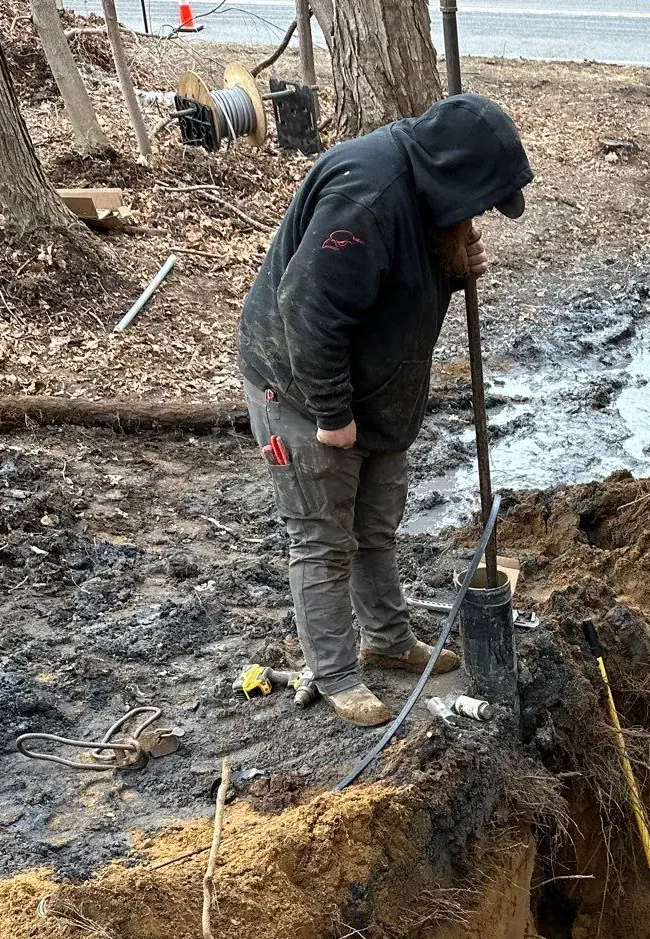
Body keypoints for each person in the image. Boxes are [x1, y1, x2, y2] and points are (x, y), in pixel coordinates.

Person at [239, 94, 532, 727]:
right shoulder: (366, 196)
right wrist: (332, 412)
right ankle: (336, 672)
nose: (480, 215)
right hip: (304, 389)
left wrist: (453, 269)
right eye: (481, 201)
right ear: (456, 175)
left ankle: (388, 640)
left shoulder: (425, 196)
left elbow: (393, 283)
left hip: (373, 392)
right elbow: (308, 310)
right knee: (322, 536)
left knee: (375, 525)